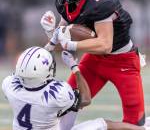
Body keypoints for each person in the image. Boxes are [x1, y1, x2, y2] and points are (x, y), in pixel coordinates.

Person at [40, 0, 147, 127]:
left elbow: (105, 45)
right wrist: (50, 32)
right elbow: (61, 39)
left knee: (135, 123)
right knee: (67, 99)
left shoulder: (101, 2)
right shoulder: (67, 1)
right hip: (94, 58)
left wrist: (70, 44)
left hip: (123, 61)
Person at [2, 46, 149, 130]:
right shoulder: (57, 94)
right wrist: (75, 68)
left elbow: (31, 68)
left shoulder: (9, 85)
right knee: (102, 124)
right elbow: (85, 99)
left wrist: (51, 42)